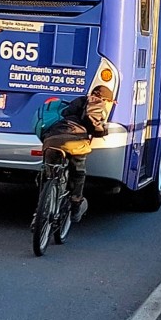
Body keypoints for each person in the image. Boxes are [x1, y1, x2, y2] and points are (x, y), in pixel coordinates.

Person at [41, 84, 115, 222]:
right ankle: (76, 205)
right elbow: (92, 120)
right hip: (74, 141)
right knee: (79, 172)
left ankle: (40, 211)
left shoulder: (76, 102)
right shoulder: (97, 102)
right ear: (106, 99)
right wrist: (101, 131)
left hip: (52, 138)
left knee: (48, 174)